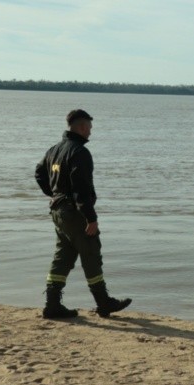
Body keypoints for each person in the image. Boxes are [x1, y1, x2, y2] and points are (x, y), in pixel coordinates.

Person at [35, 109, 132, 319]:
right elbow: (81, 189)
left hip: (58, 212)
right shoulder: (79, 152)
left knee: (63, 255)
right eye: (89, 127)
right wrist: (91, 218)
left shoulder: (54, 150)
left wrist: (54, 194)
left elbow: (39, 173)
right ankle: (103, 302)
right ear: (81, 127)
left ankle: (52, 304)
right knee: (91, 253)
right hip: (74, 212)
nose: (90, 132)